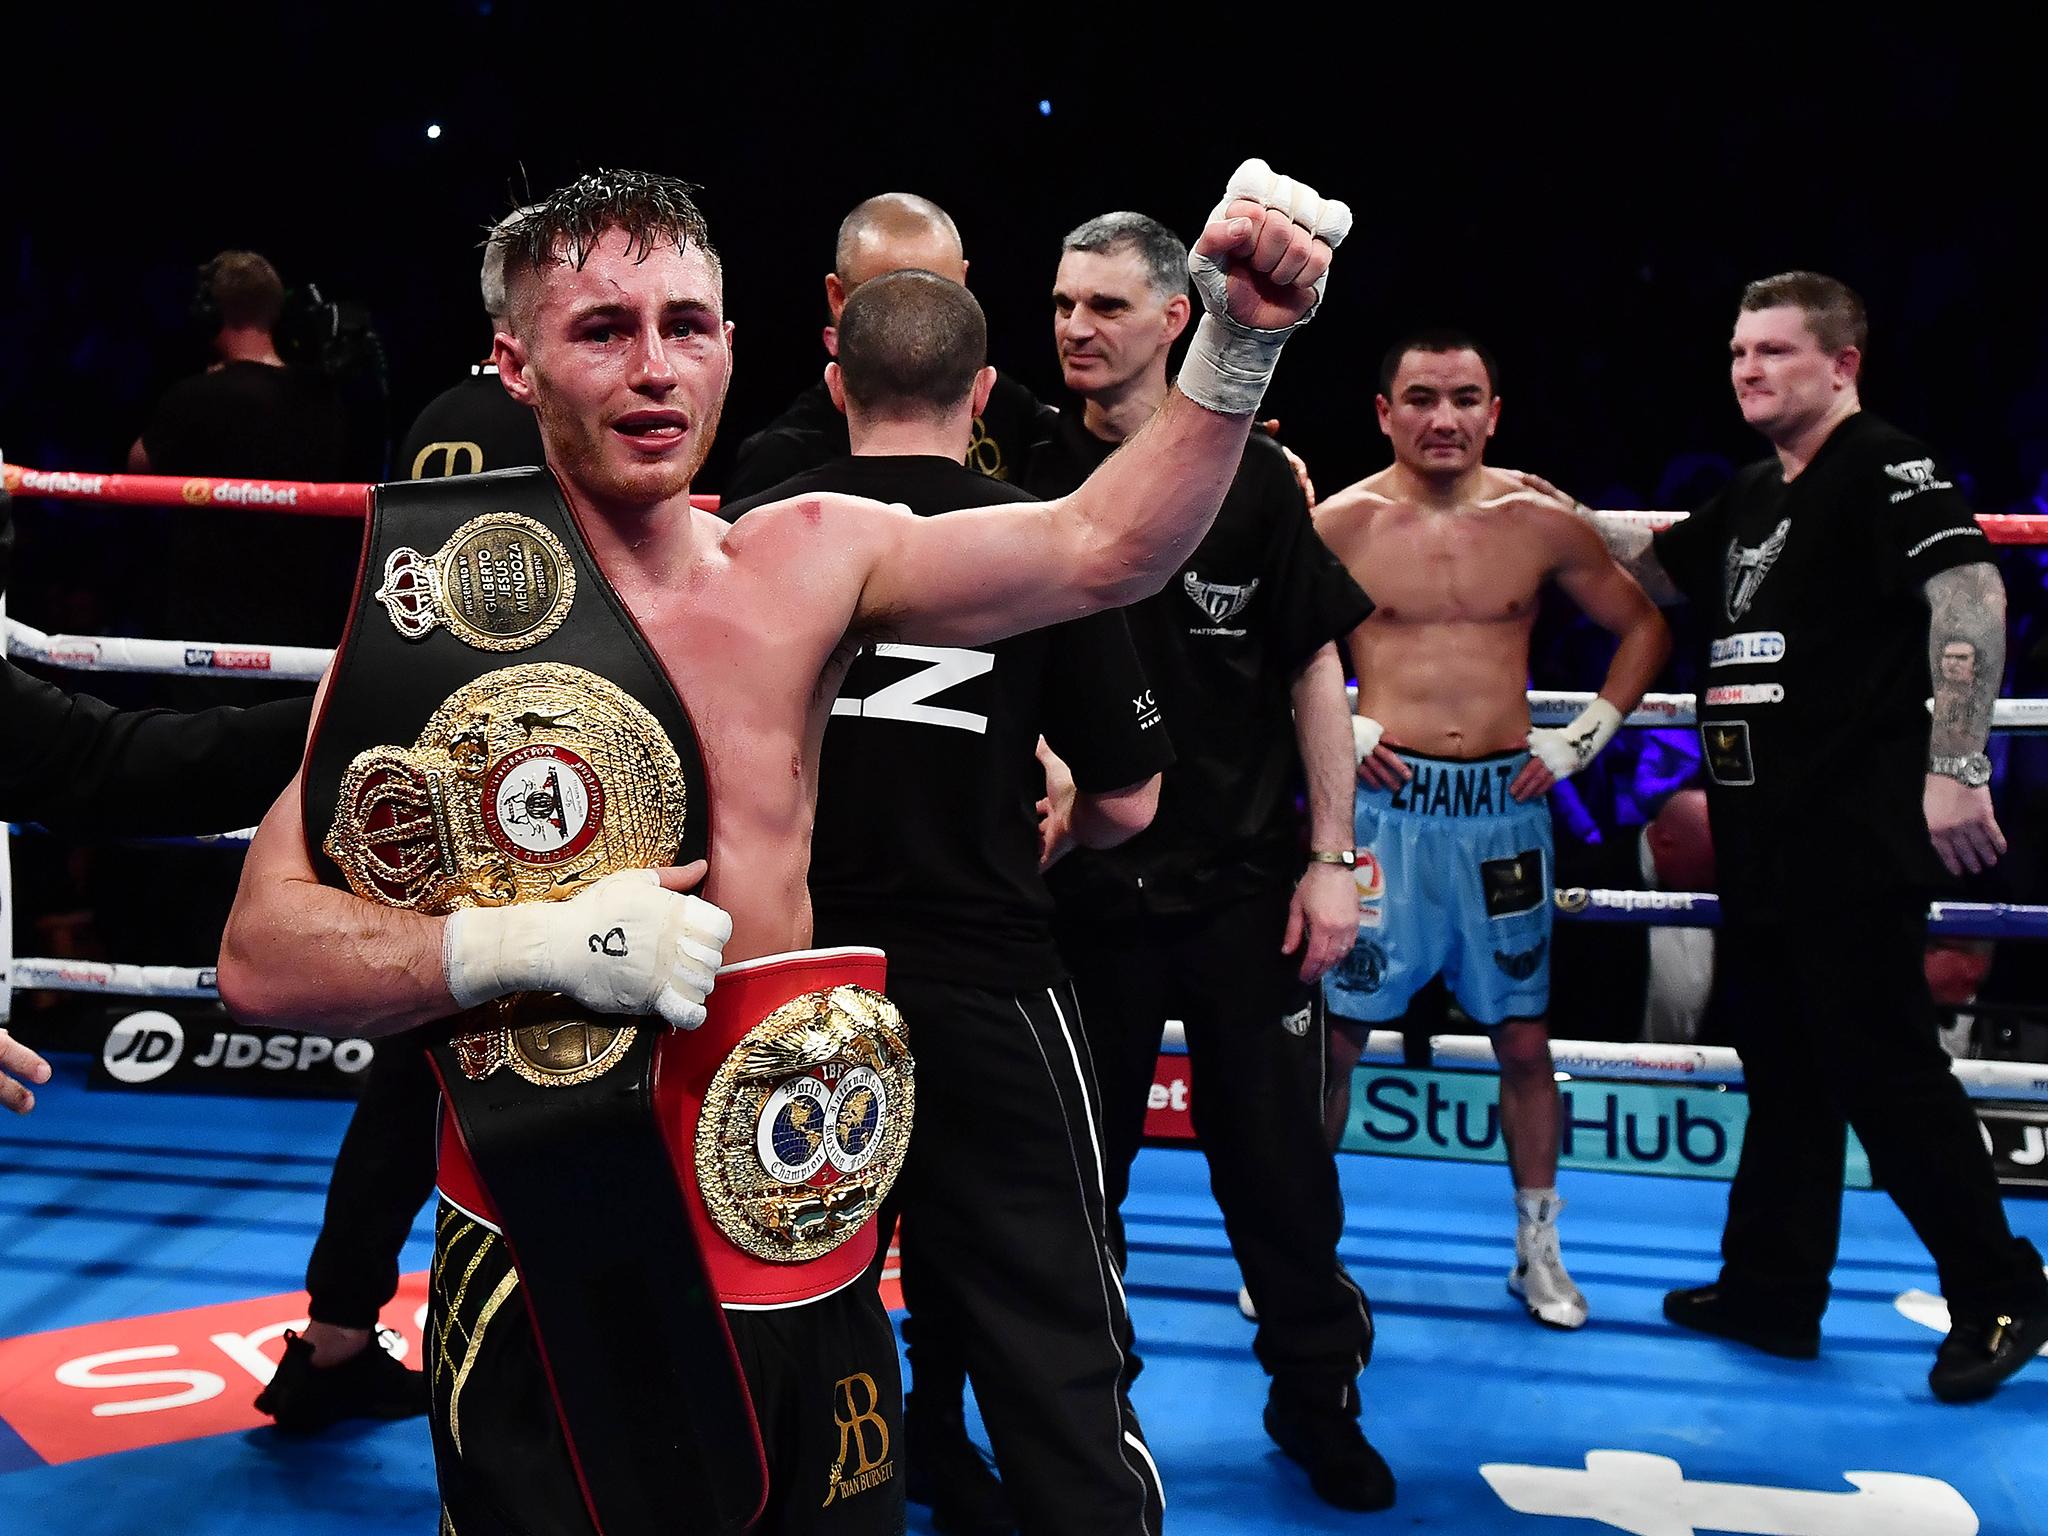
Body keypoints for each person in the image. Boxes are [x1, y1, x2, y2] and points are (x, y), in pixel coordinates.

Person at [217, 161, 1349, 1535]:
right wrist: (531, 944)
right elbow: (264, 960)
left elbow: (1103, 545)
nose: (653, 369)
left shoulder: (806, 555)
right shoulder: (435, 628)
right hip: (547, 1238)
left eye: (685, 326)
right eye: (602, 330)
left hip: (797, 1228)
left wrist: (1238, 342)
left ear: (736, 346)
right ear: (515, 363)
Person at [723, 268, 1173, 1536]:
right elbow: (1132, 806)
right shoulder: (1037, 534)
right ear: (981, 391)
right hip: (984, 982)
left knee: (775, 1323)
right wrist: (1054, 802)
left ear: (832, 386)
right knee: (1056, 1338)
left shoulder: (748, 535)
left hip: (787, 987)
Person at [1577, 269, 2048, 1402]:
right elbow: (1645, 571)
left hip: (1850, 829)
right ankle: (1772, 1291)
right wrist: (1505, 503)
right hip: (1766, 837)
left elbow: (1970, 592)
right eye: (1738, 351)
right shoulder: (1750, 495)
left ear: (1840, 364)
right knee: (1783, 1071)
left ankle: (2000, 1289)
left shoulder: (1883, 465)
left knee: (1883, 1068)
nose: (1748, 369)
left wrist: (1953, 761)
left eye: (1775, 352)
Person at [1021, 210, 1386, 1513]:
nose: (1074, 326)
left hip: (1242, 894)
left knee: (1283, 1175)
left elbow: (1314, 667)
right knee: (1069, 1187)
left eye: (1105, 306)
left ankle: (1317, 1398)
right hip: (1077, 898)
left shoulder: (1253, 482)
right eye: (1063, 303)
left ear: (1176, 319)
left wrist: (1333, 858)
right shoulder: (1024, 471)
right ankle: (1084, 1421)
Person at [254, 214, 551, 1436]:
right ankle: (543, 1374)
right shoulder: (567, 431)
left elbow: (383, 604)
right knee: (529, 1065)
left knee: (404, 1072)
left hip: (409, 769)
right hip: (530, 778)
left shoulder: (434, 416)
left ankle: (330, 1334)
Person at [1312, 331, 1671, 1331]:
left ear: (1493, 412)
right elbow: (1255, 642)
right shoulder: (1334, 523)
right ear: (1383, 412)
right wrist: (1337, 721)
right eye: (1419, 397)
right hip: (1382, 812)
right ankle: (1297, 1247)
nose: (1442, 418)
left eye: (1463, 398)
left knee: (1521, 1037)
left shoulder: (1538, 521)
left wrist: (1582, 740)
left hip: (1503, 814)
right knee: (1337, 1036)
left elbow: (1643, 626)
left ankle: (1536, 1248)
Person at [724, 193, 1059, 499]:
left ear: (965, 286)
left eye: (938, 290)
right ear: (838, 298)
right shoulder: (780, 462)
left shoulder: (1015, 412)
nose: (913, 311)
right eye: (888, 294)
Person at [1548, 785, 1716, 1044]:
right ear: (1665, 843)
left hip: (1706, 1071)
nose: (1715, 874)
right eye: (1707, 864)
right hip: (1599, 1069)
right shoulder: (1582, 882)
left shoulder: (1731, 887)